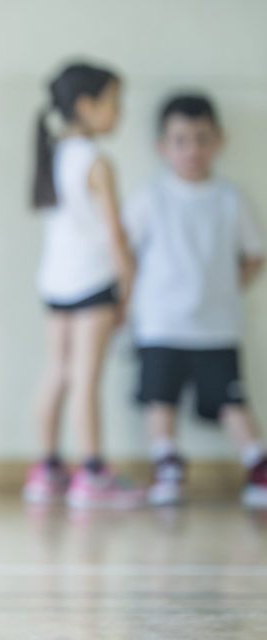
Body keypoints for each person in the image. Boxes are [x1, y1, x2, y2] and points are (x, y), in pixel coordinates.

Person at [124, 94, 267, 508]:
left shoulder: (230, 199)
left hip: (216, 325)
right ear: (162, 146)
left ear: (218, 140)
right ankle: (167, 463)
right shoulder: (151, 197)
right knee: (160, 397)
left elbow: (255, 255)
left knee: (230, 399)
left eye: (201, 139)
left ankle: (257, 463)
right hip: (160, 323)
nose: (191, 150)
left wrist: (225, 288)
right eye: (180, 140)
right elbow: (123, 251)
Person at [23, 62, 145, 509]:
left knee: (58, 372)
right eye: (115, 102)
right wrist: (130, 286)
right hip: (93, 281)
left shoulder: (55, 151)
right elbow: (115, 234)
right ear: (86, 106)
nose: (120, 113)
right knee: (86, 377)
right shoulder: (96, 160)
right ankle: (92, 473)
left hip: (55, 282)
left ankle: (47, 468)